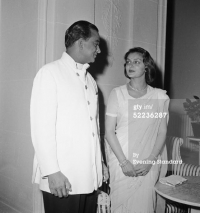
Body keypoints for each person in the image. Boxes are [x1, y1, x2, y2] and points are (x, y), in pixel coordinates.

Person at [30, 20, 109, 213]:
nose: (98, 50)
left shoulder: (90, 81)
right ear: (81, 43)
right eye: (96, 44)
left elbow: (93, 129)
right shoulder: (50, 73)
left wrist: (100, 164)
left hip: (88, 176)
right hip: (62, 178)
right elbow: (41, 129)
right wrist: (52, 172)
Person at [105, 47, 169, 213]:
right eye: (127, 62)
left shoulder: (160, 97)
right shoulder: (117, 94)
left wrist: (150, 160)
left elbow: (162, 132)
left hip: (147, 162)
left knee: (144, 206)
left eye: (136, 62)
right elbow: (109, 132)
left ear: (146, 66)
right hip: (121, 160)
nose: (130, 65)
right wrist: (124, 162)